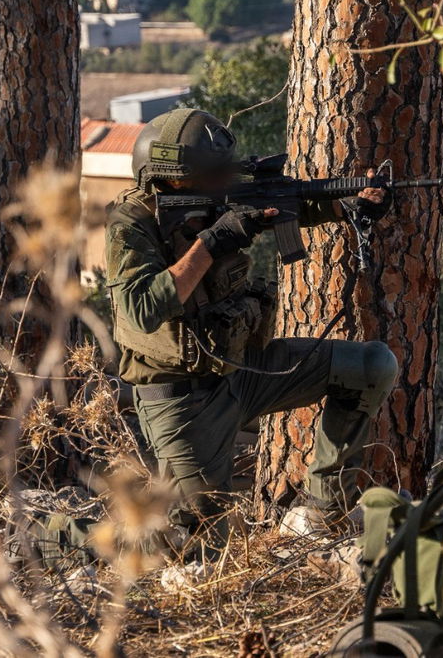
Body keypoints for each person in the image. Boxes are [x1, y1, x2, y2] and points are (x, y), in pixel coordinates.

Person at [106, 107, 398, 557]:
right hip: (182, 402)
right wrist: (212, 242)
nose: (222, 185)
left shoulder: (218, 202)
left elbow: (295, 206)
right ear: (168, 178)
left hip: (243, 370)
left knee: (371, 365)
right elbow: (142, 308)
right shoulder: (131, 226)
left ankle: (323, 511)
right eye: (207, 176)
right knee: (193, 548)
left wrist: (351, 203)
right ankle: (62, 536)